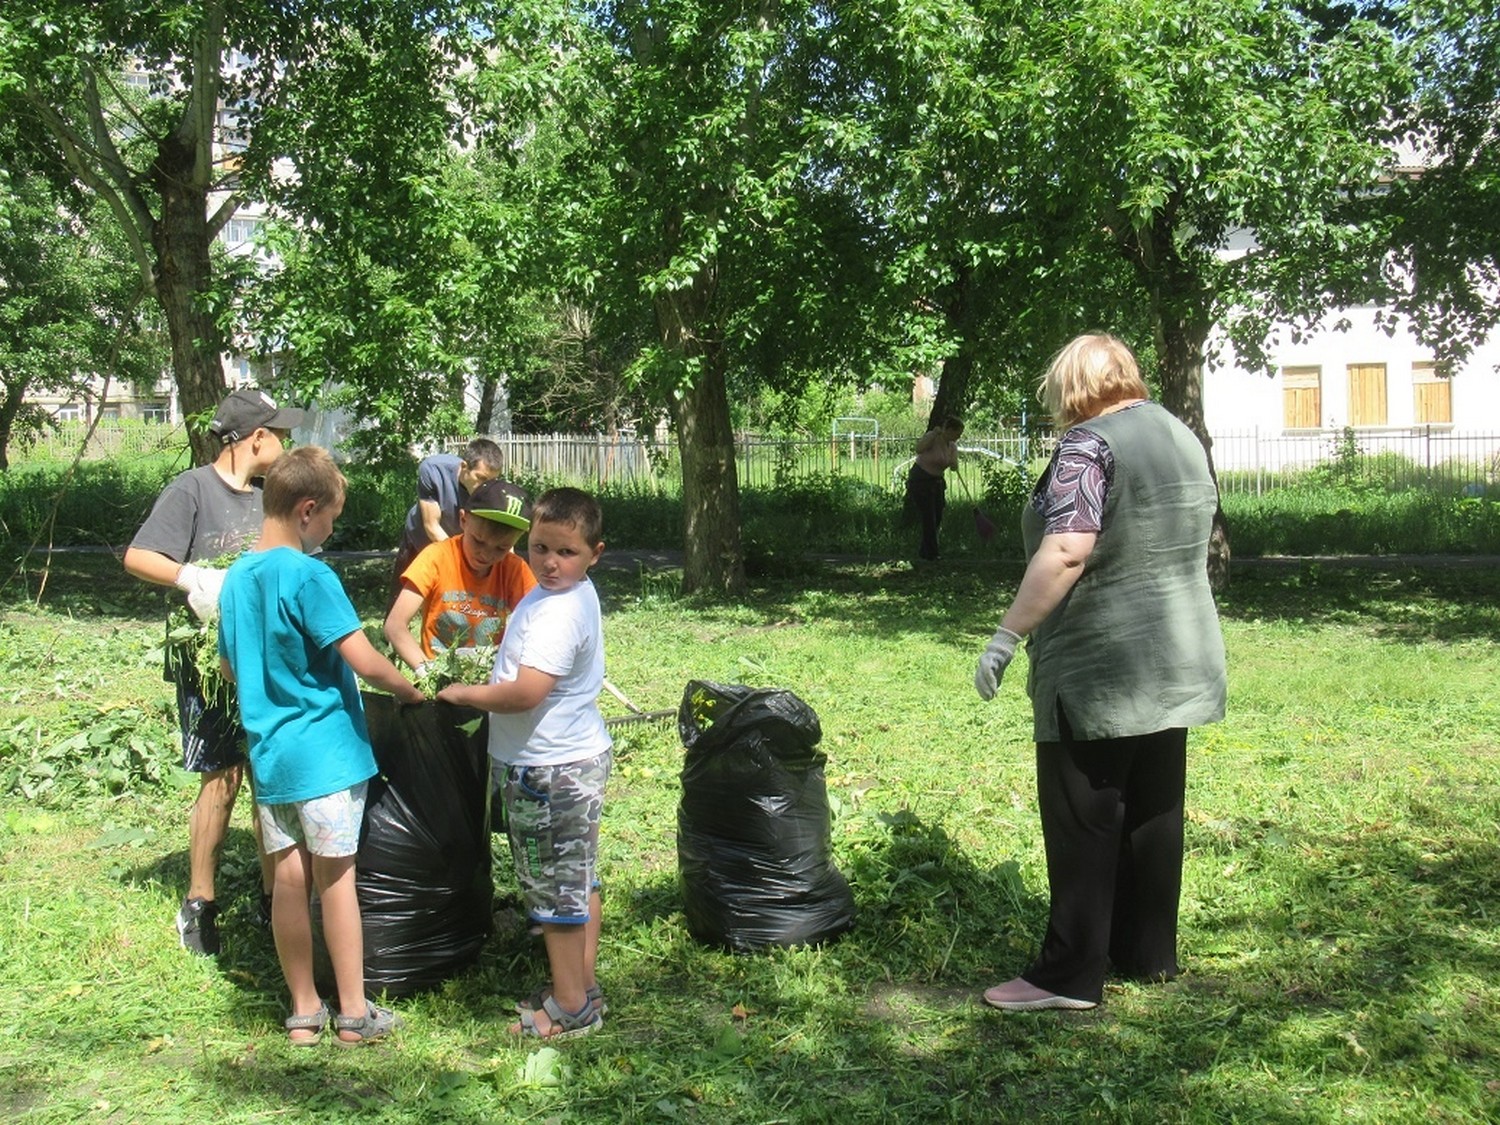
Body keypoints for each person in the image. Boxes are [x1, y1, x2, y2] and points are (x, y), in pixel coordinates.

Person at [973, 333, 1226, 1011]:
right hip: (1176, 659)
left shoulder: (1090, 444)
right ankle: (1147, 953)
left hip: (1099, 665)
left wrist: (1005, 635)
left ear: (1073, 389)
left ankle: (1068, 976)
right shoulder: (1177, 434)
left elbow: (1065, 550)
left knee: (1083, 814)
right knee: (1152, 810)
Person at [218, 446, 426, 1045]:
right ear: (308, 510)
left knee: (287, 881)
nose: (331, 531)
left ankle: (304, 1010)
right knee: (337, 883)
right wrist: (409, 690)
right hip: (327, 759)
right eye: (332, 519)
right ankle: (355, 1014)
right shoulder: (312, 576)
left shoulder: (236, 578)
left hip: (272, 759)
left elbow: (231, 669)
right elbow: (362, 659)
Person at [123, 387, 303, 955]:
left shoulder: (269, 498)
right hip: (207, 662)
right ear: (256, 438)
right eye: (280, 432)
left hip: (264, 657)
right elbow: (138, 556)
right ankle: (201, 902)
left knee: (268, 775)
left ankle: (276, 898)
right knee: (221, 776)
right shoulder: (192, 489)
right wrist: (194, 580)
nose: (287, 441)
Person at [438, 487, 611, 1040]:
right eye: (540, 548)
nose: (550, 562)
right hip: (570, 757)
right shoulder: (562, 594)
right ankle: (580, 985)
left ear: (594, 553)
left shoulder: (559, 611)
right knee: (578, 876)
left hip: (549, 769)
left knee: (553, 887)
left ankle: (570, 1007)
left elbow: (526, 693)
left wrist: (464, 693)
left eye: (566, 552)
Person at [384, 479, 537, 674]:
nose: (487, 554)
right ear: (463, 520)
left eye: (501, 548)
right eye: (478, 541)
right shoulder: (436, 557)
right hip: (440, 675)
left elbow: (537, 628)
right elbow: (394, 626)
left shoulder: (515, 569)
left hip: (490, 683)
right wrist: (429, 673)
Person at [390, 439, 505, 603]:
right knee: (400, 595)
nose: (485, 487)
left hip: (462, 542)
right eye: (480, 478)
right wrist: (462, 561)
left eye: (491, 481)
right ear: (464, 467)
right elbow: (431, 526)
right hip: (419, 536)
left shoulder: (491, 489)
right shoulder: (432, 469)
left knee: (450, 601)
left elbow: (501, 534)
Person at [905, 415, 964, 561]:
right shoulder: (933, 437)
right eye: (957, 433)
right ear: (948, 430)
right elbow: (919, 449)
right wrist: (933, 435)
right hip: (920, 480)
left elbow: (953, 466)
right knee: (929, 517)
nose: (958, 437)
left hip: (936, 482)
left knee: (937, 515)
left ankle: (925, 552)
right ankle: (932, 554)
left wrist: (953, 463)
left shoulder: (952, 446)